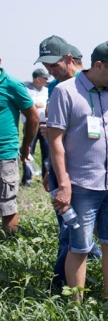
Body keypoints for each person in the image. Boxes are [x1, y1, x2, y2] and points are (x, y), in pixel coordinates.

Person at [48, 41, 108, 298]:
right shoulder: (65, 92)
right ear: (98, 65)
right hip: (82, 185)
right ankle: (76, 308)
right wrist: (64, 183)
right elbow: (55, 141)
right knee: (80, 247)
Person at [35, 35, 100, 287]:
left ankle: (60, 285)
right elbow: (56, 133)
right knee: (69, 226)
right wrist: (50, 168)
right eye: (47, 66)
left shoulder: (88, 85)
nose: (50, 71)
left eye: (54, 65)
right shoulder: (54, 87)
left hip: (84, 169)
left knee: (73, 231)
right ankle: (82, 273)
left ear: (70, 60)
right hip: (61, 169)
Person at [1, 57, 39, 234]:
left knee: (6, 204)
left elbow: (33, 117)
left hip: (4, 155)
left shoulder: (12, 85)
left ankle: (9, 246)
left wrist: (26, 146)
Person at [21, 68, 50, 186]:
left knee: (47, 153)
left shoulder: (47, 91)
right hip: (30, 124)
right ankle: (27, 180)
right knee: (28, 152)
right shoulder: (25, 90)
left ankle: (46, 179)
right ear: (38, 79)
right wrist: (34, 105)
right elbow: (21, 106)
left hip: (44, 124)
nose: (47, 80)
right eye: (45, 78)